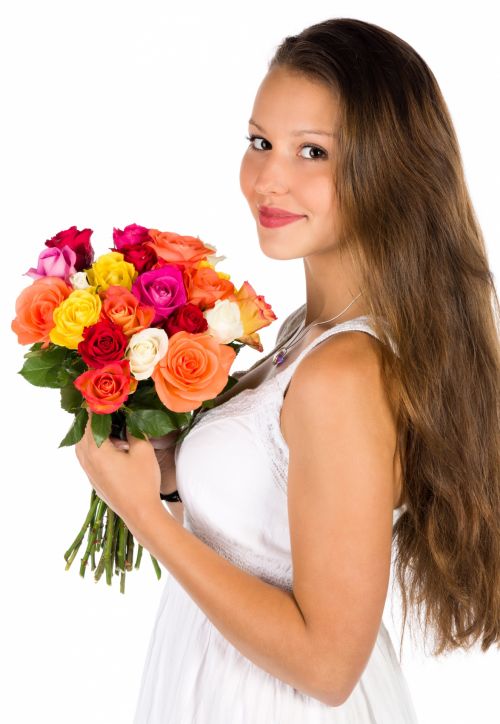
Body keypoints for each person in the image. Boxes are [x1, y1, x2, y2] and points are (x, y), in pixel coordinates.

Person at [75, 17, 500, 723]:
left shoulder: (344, 373)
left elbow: (328, 668)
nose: (268, 178)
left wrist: (145, 516)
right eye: (260, 142)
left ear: (391, 169)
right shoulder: (308, 336)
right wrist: (174, 469)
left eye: (313, 152)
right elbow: (267, 521)